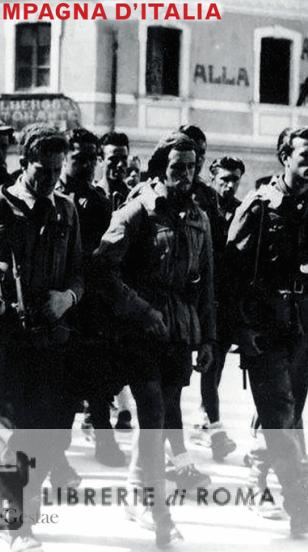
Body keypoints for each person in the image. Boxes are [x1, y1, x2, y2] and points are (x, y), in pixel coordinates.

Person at [0, 127, 83, 552]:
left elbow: (79, 272)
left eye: (57, 171)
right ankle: (14, 524)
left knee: (54, 432)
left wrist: (67, 297)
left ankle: (13, 508)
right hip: (2, 338)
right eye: (43, 171)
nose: (51, 180)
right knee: (9, 434)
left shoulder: (66, 210)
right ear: (23, 163)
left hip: (49, 339)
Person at [94, 131, 215, 547]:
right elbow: (102, 269)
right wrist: (140, 310)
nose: (185, 175)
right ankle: (159, 513)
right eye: (177, 167)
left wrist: (208, 339)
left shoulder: (199, 217)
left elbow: (206, 284)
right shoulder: (138, 210)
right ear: (161, 169)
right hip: (139, 330)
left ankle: (135, 493)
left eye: (191, 167)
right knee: (153, 415)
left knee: (159, 420)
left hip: (178, 330)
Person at [226, 126, 308, 537]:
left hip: (302, 327)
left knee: (289, 417)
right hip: (266, 328)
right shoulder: (259, 206)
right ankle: (300, 509)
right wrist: (241, 329)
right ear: (285, 157)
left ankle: (260, 478)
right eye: (306, 156)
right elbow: (231, 274)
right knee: (279, 415)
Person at [56, 127, 126, 469]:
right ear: (64, 158)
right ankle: (56, 450)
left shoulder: (98, 201)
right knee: (55, 376)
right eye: (79, 158)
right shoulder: (51, 196)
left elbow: (105, 251)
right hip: (56, 299)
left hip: (90, 301)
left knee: (97, 374)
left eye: (91, 159)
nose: (86, 165)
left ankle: (104, 438)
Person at [195, 156, 245, 460]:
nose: (229, 185)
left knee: (215, 364)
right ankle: (211, 425)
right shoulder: (200, 207)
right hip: (198, 296)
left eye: (234, 179)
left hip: (225, 301)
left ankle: (211, 423)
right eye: (224, 179)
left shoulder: (242, 210)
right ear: (213, 178)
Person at [97, 131, 130, 209]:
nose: (120, 164)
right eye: (114, 159)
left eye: (124, 158)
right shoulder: (91, 197)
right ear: (100, 161)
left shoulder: (133, 197)